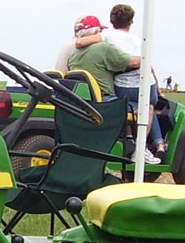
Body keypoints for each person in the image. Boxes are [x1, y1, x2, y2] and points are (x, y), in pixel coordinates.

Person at [68, 12, 160, 164]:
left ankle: (130, 140)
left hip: (86, 102)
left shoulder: (74, 54)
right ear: (96, 33)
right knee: (147, 106)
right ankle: (140, 149)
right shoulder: (103, 48)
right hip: (107, 102)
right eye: (100, 30)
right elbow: (134, 62)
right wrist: (146, 57)